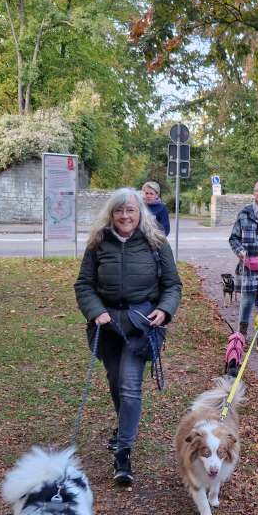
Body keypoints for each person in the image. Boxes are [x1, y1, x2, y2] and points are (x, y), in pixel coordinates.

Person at [75, 188, 182, 484]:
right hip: (107, 327)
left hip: (141, 325)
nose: (125, 216)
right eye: (119, 211)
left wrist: (164, 310)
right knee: (115, 381)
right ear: (111, 214)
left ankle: (123, 452)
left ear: (140, 213)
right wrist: (96, 310)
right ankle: (124, 427)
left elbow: (173, 285)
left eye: (131, 211)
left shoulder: (156, 243)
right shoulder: (98, 242)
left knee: (131, 385)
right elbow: (83, 284)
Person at [228, 180, 258, 354]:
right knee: (247, 302)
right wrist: (240, 251)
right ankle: (241, 335)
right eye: (257, 190)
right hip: (248, 267)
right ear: (253, 193)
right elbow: (233, 238)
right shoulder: (244, 213)